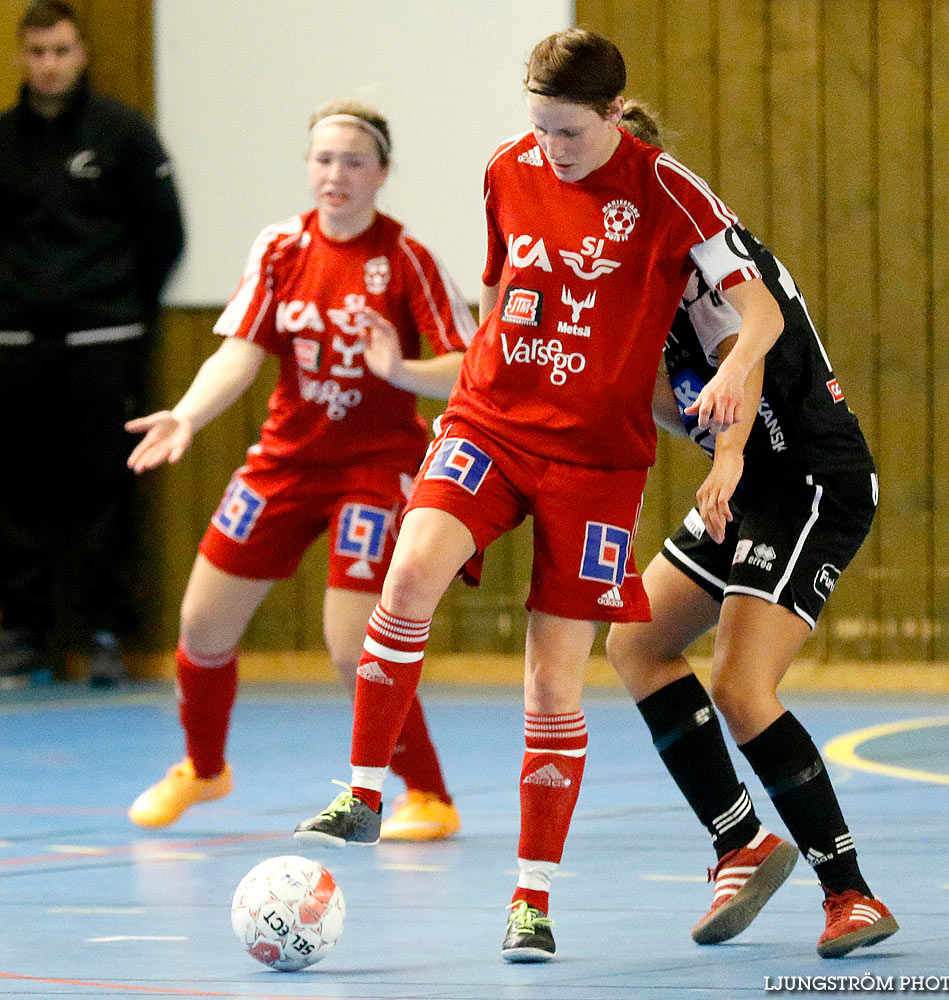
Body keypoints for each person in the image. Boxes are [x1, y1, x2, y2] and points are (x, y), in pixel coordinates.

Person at [292, 29, 785, 964]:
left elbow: (755, 309)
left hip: (596, 466)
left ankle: (530, 900)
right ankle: (362, 789)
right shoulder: (507, 168)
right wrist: (465, 393)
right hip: (492, 425)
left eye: (567, 132)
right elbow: (493, 291)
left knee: (552, 679)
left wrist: (733, 386)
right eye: (537, 128)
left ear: (610, 116)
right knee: (404, 581)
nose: (549, 149)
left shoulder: (669, 192)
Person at [125, 98, 475, 831]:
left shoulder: (407, 260)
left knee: (352, 650)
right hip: (285, 461)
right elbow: (241, 350)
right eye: (322, 159)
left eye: (352, 160)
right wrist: (187, 413)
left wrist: (399, 369)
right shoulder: (281, 247)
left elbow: (471, 367)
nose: (334, 174)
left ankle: (428, 795)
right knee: (201, 624)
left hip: (374, 470)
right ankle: (204, 768)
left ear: (381, 172)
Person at [605, 108, 898, 959]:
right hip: (746, 478)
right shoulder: (627, 271)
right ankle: (739, 844)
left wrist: (727, 451)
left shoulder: (704, 246)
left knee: (738, 683)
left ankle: (851, 893)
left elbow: (747, 347)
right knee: (636, 642)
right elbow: (669, 398)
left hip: (808, 476)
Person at [0, 0, 185, 687]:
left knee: (106, 485)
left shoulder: (122, 135)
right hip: (15, 340)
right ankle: (22, 634)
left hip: (103, 337)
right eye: (38, 51)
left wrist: (120, 306)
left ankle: (107, 632)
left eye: (61, 51)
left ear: (81, 55)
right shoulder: (4, 140)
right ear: (22, 56)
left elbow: (164, 235)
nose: (49, 65)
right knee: (18, 487)